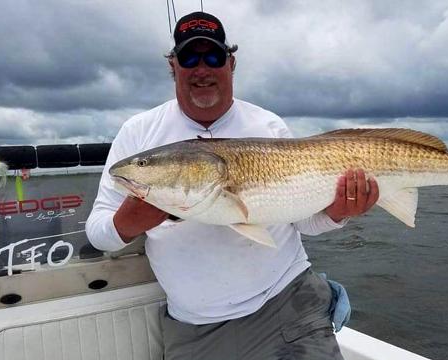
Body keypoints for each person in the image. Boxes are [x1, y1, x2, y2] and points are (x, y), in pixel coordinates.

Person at [86, 11, 379, 360]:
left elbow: (302, 221)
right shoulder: (138, 133)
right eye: (188, 57)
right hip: (195, 331)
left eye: (213, 56)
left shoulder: (267, 125)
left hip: (288, 305)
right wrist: (128, 222)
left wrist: (337, 213)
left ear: (230, 63)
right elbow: (97, 232)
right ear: (173, 66)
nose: (202, 68)